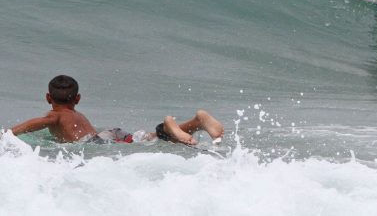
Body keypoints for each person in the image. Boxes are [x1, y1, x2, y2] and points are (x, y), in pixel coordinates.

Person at [5, 75, 224, 145]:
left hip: (95, 142)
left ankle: (171, 127)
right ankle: (196, 121)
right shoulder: (76, 114)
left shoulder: (55, 115)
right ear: (78, 98)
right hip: (108, 133)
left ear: (48, 98)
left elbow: (30, 125)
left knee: (146, 141)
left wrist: (7, 134)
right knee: (148, 139)